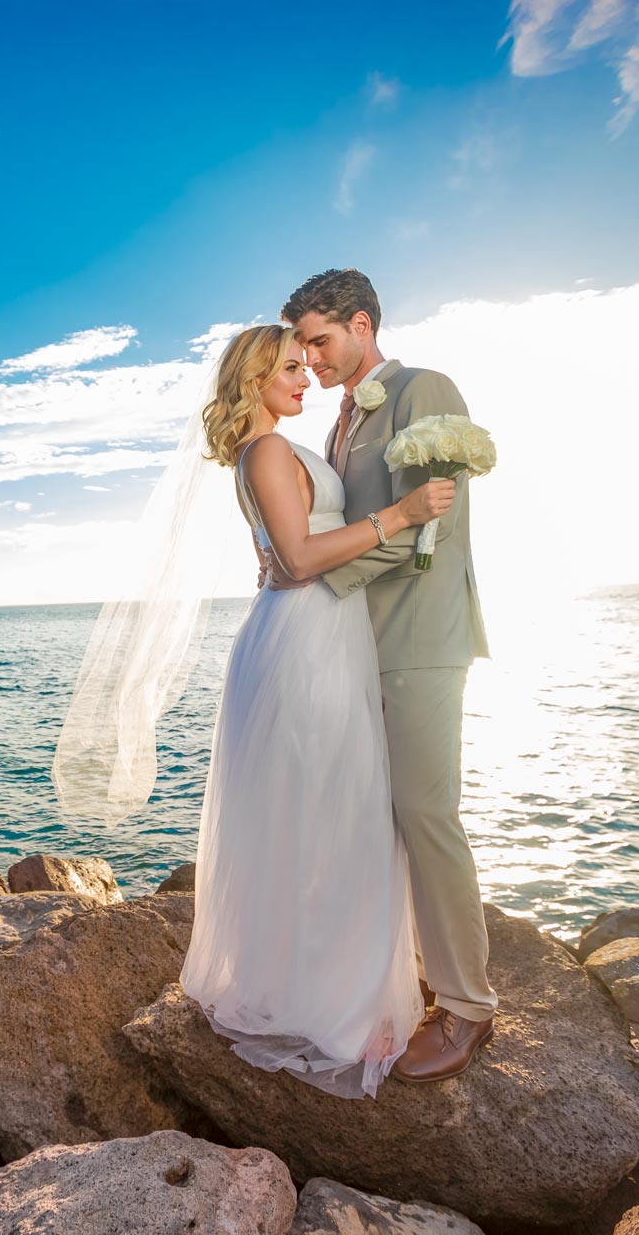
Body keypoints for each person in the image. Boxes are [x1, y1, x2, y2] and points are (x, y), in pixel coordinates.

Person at [177, 323, 456, 1097]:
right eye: (289, 369)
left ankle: (327, 986)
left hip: (321, 635)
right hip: (305, 639)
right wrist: (399, 517)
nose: (305, 380)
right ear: (254, 379)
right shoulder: (267, 450)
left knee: (325, 811)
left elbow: (291, 552)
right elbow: (298, 561)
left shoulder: (274, 449)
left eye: (307, 365)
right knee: (332, 814)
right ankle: (334, 1007)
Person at [270, 267, 497, 1081]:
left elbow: (424, 533)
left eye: (321, 342)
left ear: (362, 325)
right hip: (357, 642)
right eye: (301, 348)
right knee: (370, 815)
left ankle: (468, 1007)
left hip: (420, 637)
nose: (312, 359)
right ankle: (394, 976)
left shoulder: (422, 388)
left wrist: (312, 579)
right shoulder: (338, 421)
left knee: (426, 812)